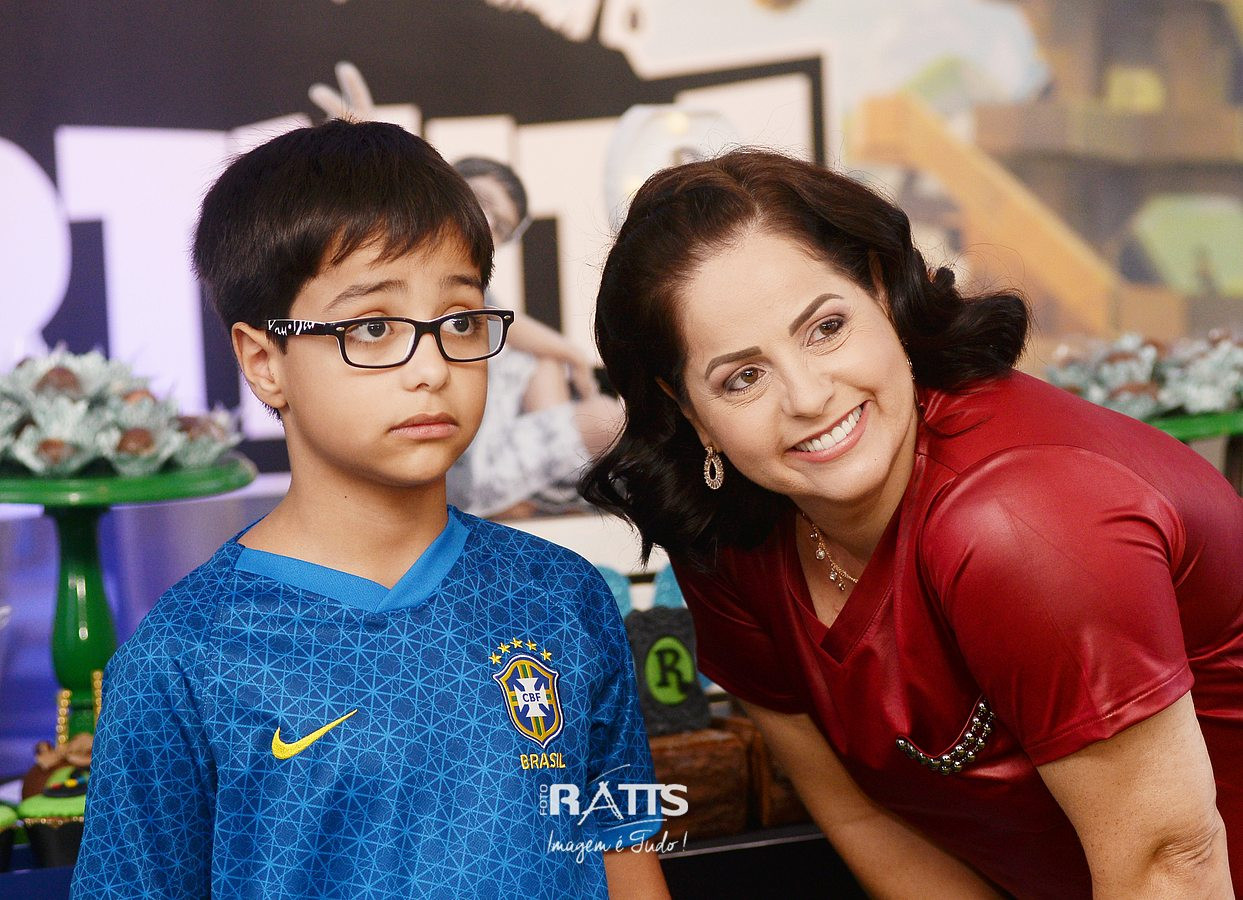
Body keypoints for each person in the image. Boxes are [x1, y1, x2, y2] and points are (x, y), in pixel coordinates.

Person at [582, 148, 1243, 898]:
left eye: (825, 328)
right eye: (743, 377)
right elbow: (861, 816)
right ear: (688, 410)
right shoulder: (730, 536)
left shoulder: (1022, 518)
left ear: (881, 292)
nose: (807, 396)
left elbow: (1171, 864)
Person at [71, 121, 669, 900]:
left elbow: (622, 849)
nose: (431, 367)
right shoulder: (183, 658)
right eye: (374, 327)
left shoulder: (564, 596)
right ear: (264, 361)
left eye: (459, 320)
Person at [449, 156, 624, 518]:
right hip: (465, 472)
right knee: (606, 418)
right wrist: (573, 356)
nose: (487, 223)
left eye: (501, 226)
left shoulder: (470, 283)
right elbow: (506, 325)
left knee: (543, 361)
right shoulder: (438, 275)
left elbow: (510, 324)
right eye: (481, 201)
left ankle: (548, 488)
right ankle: (549, 491)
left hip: (485, 455)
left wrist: (569, 354)